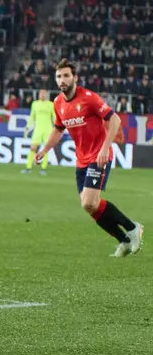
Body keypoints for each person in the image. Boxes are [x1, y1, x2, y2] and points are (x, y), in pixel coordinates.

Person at [36, 59, 143, 257]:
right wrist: (44, 150)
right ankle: (124, 241)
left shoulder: (89, 98)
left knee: (88, 203)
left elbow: (115, 119)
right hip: (81, 159)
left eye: (66, 75)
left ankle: (132, 228)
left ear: (75, 78)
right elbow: (58, 129)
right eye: (59, 76)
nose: (62, 80)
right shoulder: (58, 103)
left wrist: (105, 148)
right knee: (90, 207)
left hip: (99, 156)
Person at [23, 89, 55, 175]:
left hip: (48, 130)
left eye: (44, 94)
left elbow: (55, 118)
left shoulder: (51, 105)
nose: (42, 95)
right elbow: (32, 117)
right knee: (33, 148)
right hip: (37, 130)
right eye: (41, 94)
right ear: (39, 95)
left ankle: (43, 168)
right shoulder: (35, 104)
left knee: (45, 150)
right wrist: (27, 128)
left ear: (47, 95)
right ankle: (28, 167)